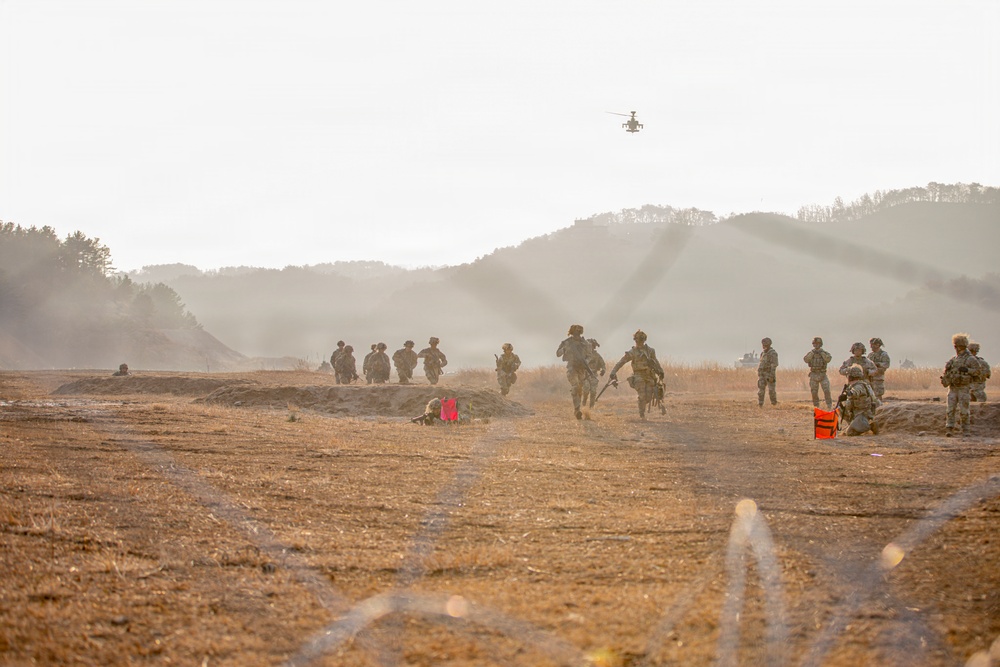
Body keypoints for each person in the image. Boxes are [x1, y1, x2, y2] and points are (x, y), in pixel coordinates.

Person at [609, 329, 666, 420]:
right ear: (635, 340)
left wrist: (661, 371)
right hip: (638, 376)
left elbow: (656, 362)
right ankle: (642, 414)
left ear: (644, 340)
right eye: (637, 340)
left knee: (648, 396)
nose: (639, 342)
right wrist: (613, 372)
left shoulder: (650, 351)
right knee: (642, 395)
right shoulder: (632, 352)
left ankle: (642, 406)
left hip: (650, 376)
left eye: (641, 340)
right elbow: (621, 362)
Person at [941, 333, 983, 437]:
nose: (955, 347)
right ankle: (949, 428)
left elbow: (978, 372)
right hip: (953, 388)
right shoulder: (954, 360)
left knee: (964, 410)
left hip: (964, 388)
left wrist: (967, 370)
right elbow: (947, 372)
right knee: (950, 409)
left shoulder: (970, 359)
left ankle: (966, 430)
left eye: (956, 345)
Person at [556, 324, 594, 419]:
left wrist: (586, 362)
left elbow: (590, 356)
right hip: (572, 367)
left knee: (580, 389)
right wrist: (565, 349)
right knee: (575, 386)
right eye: (575, 332)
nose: (577, 335)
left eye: (579, 332)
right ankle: (577, 410)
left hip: (582, 369)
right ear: (572, 332)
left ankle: (578, 408)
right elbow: (558, 353)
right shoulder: (566, 342)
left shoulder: (586, 343)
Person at [839, 364, 879, 436]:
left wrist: (847, 394)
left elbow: (855, 392)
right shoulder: (862, 384)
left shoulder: (858, 386)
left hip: (862, 414)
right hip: (857, 412)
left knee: (850, 433)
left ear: (850, 377)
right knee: (840, 409)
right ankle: (853, 423)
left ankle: (870, 426)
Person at [803, 337, 833, 409]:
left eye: (818, 343)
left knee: (826, 391)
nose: (816, 345)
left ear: (821, 344)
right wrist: (813, 353)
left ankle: (829, 405)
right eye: (815, 344)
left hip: (822, 374)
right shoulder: (811, 353)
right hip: (813, 374)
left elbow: (828, 359)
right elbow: (806, 360)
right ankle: (816, 406)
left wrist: (821, 353)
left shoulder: (824, 353)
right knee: (814, 392)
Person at [581, 338, 607, 408]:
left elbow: (603, 364)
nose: (590, 348)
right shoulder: (583, 355)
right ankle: (583, 403)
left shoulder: (597, 355)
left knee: (593, 392)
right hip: (585, 375)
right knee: (586, 390)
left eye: (592, 346)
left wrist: (603, 370)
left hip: (594, 375)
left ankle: (591, 408)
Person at [757, 337, 779, 407]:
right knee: (761, 391)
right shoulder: (763, 353)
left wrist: (771, 375)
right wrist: (759, 372)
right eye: (763, 345)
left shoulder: (772, 353)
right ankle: (760, 404)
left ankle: (774, 403)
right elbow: (761, 363)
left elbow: (774, 365)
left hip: (769, 374)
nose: (764, 346)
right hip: (762, 374)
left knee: (771, 391)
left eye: (765, 345)